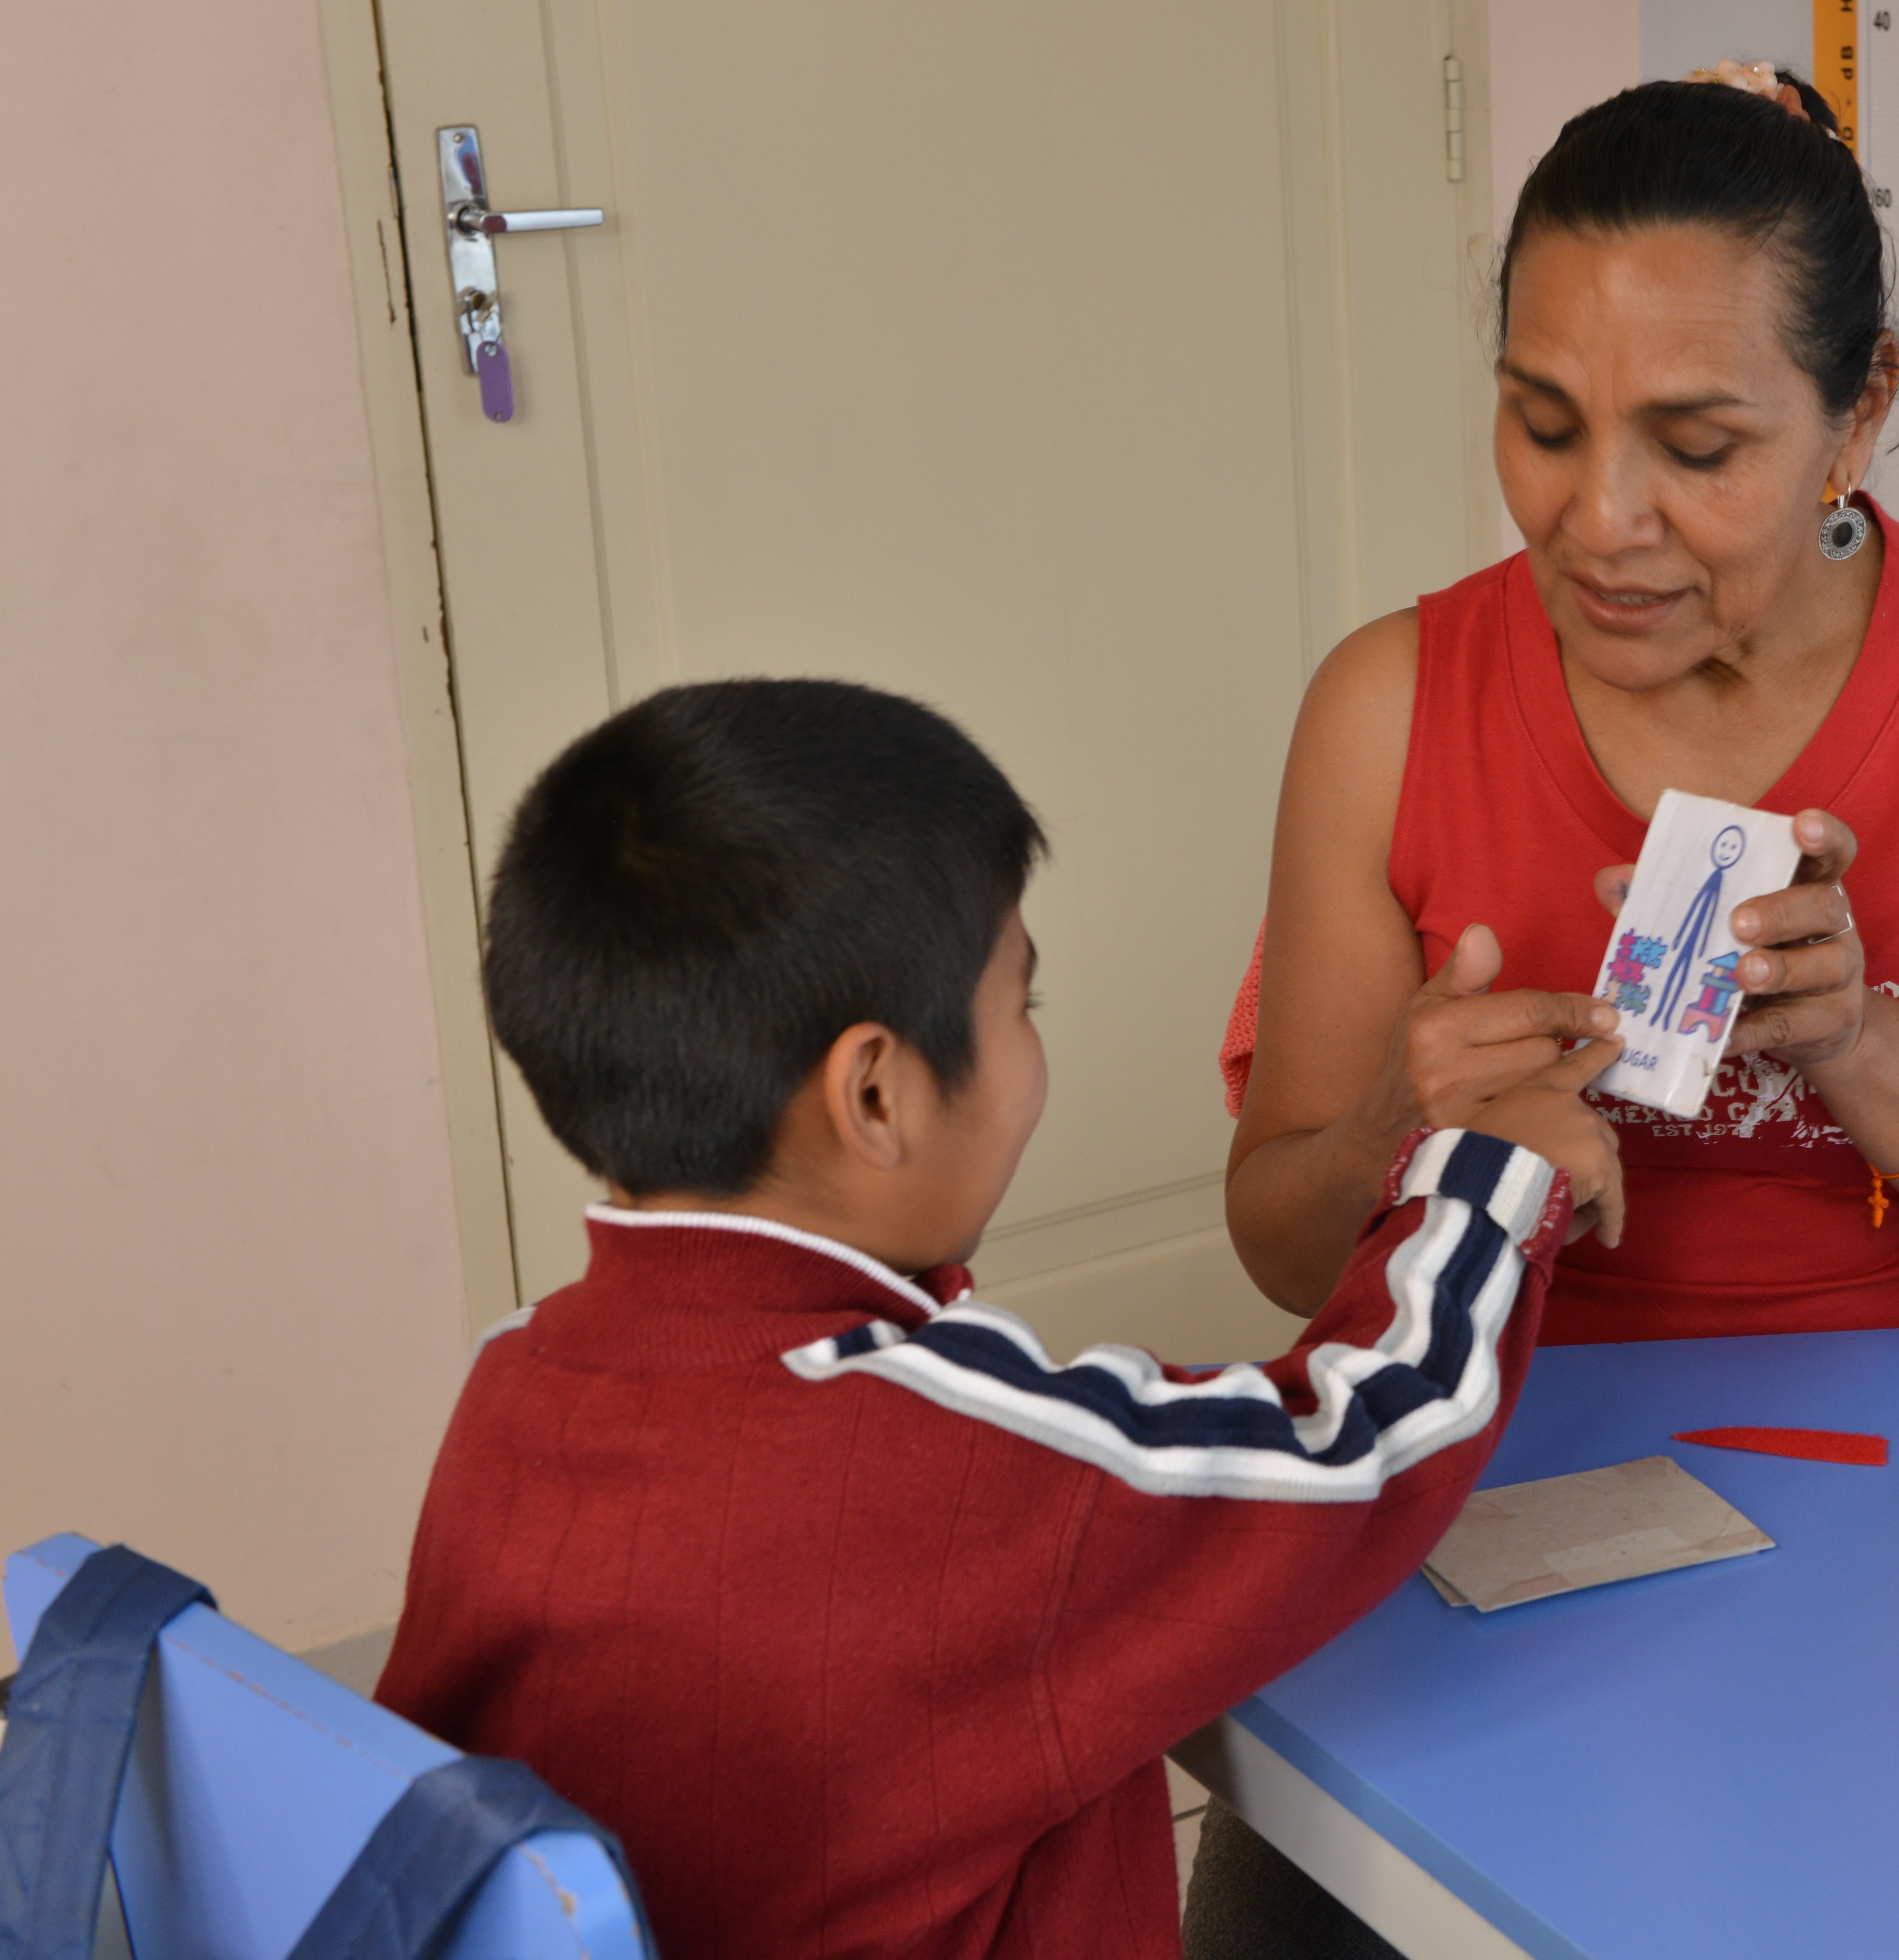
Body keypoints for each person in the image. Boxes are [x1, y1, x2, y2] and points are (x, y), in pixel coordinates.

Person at [374, 678, 1620, 1960]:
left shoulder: (515, 1380)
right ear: (874, 1091)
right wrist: (1485, 1174)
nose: (1031, 1048)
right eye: (1021, 1002)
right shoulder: (941, 1461)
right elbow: (1356, 1444)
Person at [1223, 69, 1899, 1350]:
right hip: (1517, 1470)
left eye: (1695, 451)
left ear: (1855, 417)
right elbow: (1281, 1251)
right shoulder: (1383, 706)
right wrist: (1392, 1126)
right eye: (1542, 424)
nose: (1598, 521)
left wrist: (1857, 1045)